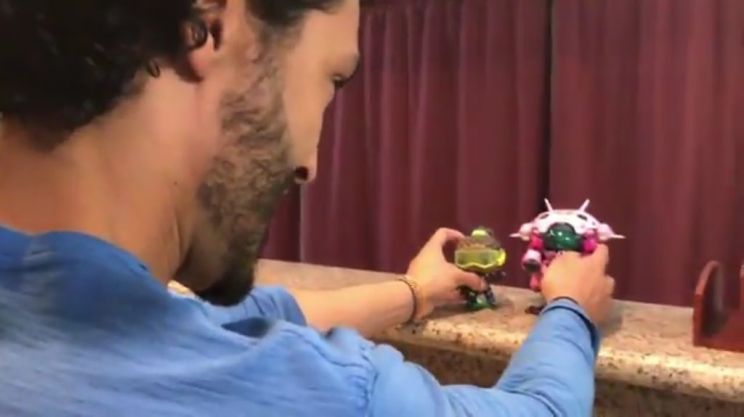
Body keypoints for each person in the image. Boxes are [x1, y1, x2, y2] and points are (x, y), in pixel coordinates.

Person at [0, 1, 616, 416]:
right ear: (209, 26)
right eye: (331, 79)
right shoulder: (328, 395)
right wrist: (571, 308)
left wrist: (414, 292)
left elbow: (227, 316)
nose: (309, 164)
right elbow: (541, 410)